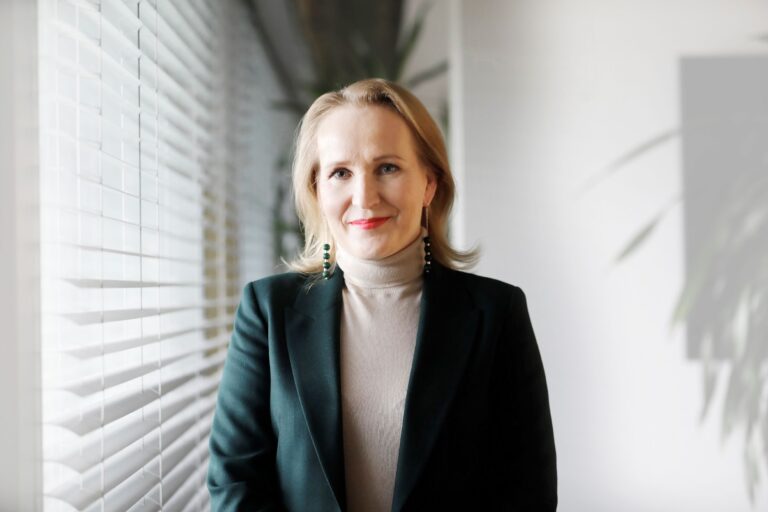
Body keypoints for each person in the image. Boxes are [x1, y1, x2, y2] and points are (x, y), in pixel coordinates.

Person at [206, 78, 557, 511]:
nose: (364, 197)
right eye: (340, 173)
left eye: (387, 168)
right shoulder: (267, 311)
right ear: (317, 190)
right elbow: (235, 481)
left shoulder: (495, 313)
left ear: (429, 183)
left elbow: (527, 493)